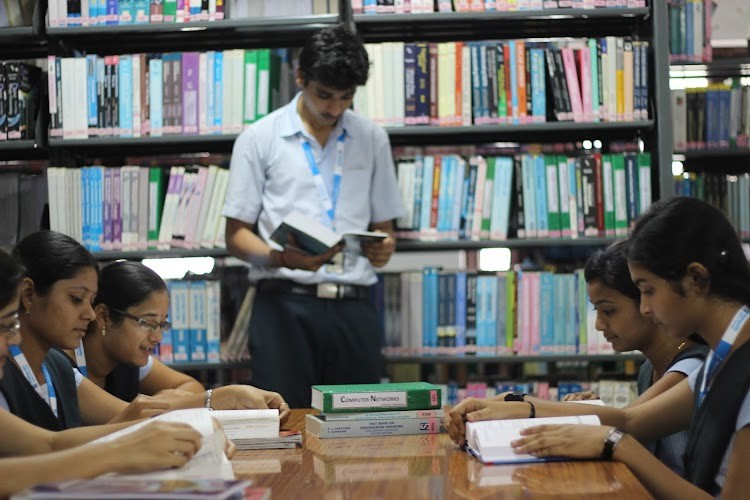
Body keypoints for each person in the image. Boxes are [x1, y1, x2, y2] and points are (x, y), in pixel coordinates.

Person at [446, 197, 750, 498]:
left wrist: (617, 444)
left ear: (695, 279)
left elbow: (626, 428)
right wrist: (519, 405)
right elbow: (631, 419)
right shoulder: (721, 357)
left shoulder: (733, 362)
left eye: (649, 290)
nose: (645, 308)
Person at [222, 24, 405, 408]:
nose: (333, 108)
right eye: (324, 95)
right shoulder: (259, 139)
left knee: (361, 429)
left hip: (354, 306)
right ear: (300, 77)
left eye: (345, 97)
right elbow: (236, 235)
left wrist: (384, 248)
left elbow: (385, 231)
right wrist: (280, 258)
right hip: (283, 305)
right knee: (283, 422)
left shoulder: (372, 138)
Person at [454, 240, 707, 474]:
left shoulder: (694, 365)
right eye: (597, 310)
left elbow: (628, 422)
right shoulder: (649, 369)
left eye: (609, 310)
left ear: (646, 300)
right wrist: (590, 410)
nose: (598, 324)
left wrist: (519, 403)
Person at [1, 230, 287, 431]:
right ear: (28, 294)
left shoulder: (56, 366)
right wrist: (215, 399)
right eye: (76, 299)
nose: (87, 314)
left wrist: (223, 396)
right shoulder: (32, 366)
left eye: (161, 324)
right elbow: (51, 448)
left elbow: (107, 424)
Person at [0, 248, 205, 497]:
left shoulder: (57, 365)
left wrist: (212, 401)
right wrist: (119, 450)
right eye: (7, 325)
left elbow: (50, 443)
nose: (87, 314)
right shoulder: (55, 362)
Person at [66, 260, 289, 423]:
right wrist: (224, 396)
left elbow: (191, 386)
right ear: (104, 316)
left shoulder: (129, 359)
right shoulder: (62, 366)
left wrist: (166, 400)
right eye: (146, 322)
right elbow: (131, 415)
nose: (157, 337)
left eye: (162, 324)